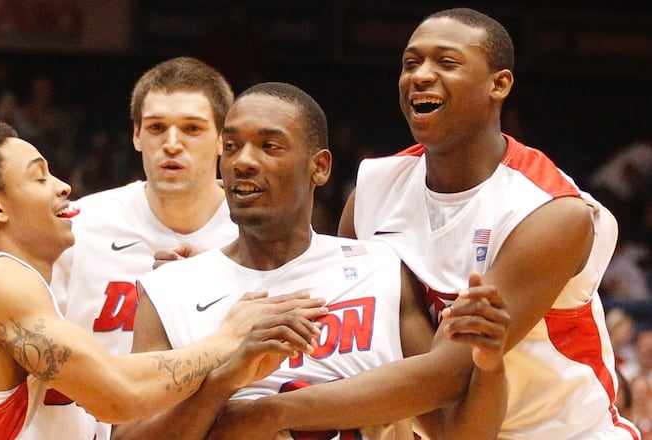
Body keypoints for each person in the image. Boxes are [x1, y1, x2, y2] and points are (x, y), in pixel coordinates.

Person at [122, 82, 511, 440]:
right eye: (231, 146)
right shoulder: (170, 288)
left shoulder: (382, 269)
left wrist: (490, 363)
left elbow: (457, 432)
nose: (243, 161)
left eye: (269, 146)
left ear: (320, 167)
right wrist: (224, 379)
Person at [336, 8, 639, 439]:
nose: (420, 75)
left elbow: (445, 378)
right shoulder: (372, 190)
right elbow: (357, 334)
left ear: (499, 84)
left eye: (446, 62)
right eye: (410, 62)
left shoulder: (547, 209)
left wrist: (278, 412)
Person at [0, 119, 327, 439]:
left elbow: (127, 384)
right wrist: (227, 339)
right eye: (40, 177)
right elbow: (119, 393)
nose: (64, 186)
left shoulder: (31, 297)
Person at [50, 56, 238, 356]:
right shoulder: (77, 227)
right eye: (157, 127)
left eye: (192, 128)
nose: (172, 143)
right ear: (137, 135)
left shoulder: (261, 236)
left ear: (223, 140)